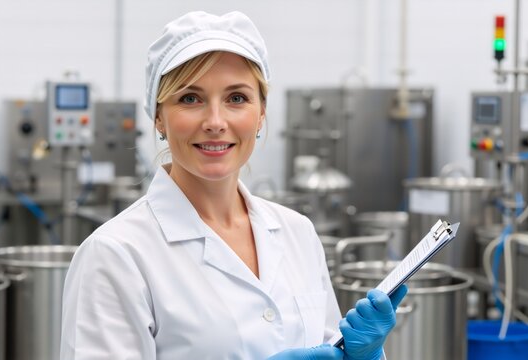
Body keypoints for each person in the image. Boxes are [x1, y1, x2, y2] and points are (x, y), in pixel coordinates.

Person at [60, 10, 407, 360]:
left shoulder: (297, 233)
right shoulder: (116, 254)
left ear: (261, 114)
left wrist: (363, 358)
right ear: (159, 118)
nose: (215, 122)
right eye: (190, 98)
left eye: (236, 98)